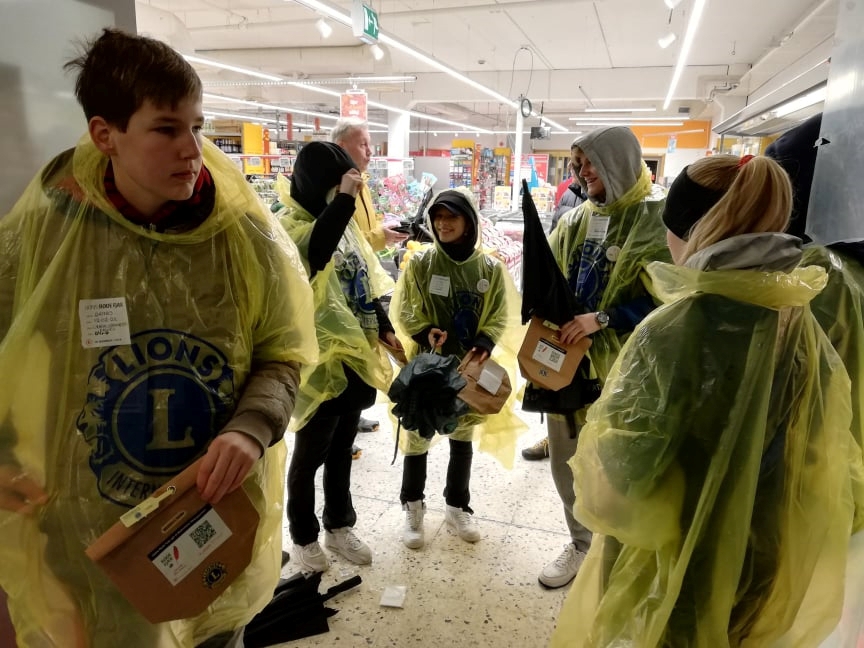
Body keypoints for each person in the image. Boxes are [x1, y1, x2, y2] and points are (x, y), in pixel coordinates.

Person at [0, 29, 318, 647]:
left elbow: (284, 353)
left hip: (212, 507)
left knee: (211, 633)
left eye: (197, 127)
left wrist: (250, 428)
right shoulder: (48, 231)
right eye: (166, 129)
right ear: (104, 134)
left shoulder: (242, 236)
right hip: (87, 524)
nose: (192, 149)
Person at [551, 154, 859, 647]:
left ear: (695, 231)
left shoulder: (673, 330)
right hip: (764, 552)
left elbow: (613, 493)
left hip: (671, 565)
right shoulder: (800, 316)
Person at [527, 126, 670, 589]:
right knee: (566, 459)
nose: (582, 172)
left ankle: (619, 550)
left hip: (627, 369)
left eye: (591, 162)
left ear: (620, 161)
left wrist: (604, 319)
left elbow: (671, 299)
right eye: (578, 163)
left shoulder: (657, 219)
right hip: (569, 364)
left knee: (620, 463)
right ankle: (580, 542)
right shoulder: (576, 220)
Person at [277, 141, 400, 573]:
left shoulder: (344, 225)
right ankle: (303, 534)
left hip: (354, 355)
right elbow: (316, 253)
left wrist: (385, 329)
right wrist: (346, 198)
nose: (341, 193)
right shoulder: (289, 227)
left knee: (343, 446)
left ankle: (339, 525)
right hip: (319, 362)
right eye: (334, 185)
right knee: (310, 451)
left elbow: (362, 280)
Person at [390, 187, 523, 549]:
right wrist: (421, 330)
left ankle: (456, 504)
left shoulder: (489, 268)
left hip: (468, 370)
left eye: (452, 217)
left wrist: (485, 340)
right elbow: (404, 307)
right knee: (418, 437)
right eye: (438, 217)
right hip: (427, 368)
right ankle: (413, 506)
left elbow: (500, 312)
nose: (443, 224)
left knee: (463, 438)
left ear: (468, 222)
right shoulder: (421, 263)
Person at [331, 118, 408, 442]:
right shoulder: (337, 188)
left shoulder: (360, 185)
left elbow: (361, 238)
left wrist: (381, 235)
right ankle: (341, 422)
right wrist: (379, 235)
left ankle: (353, 415)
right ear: (340, 146)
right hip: (343, 291)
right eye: (362, 143)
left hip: (363, 283)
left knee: (364, 351)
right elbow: (342, 241)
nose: (369, 150)